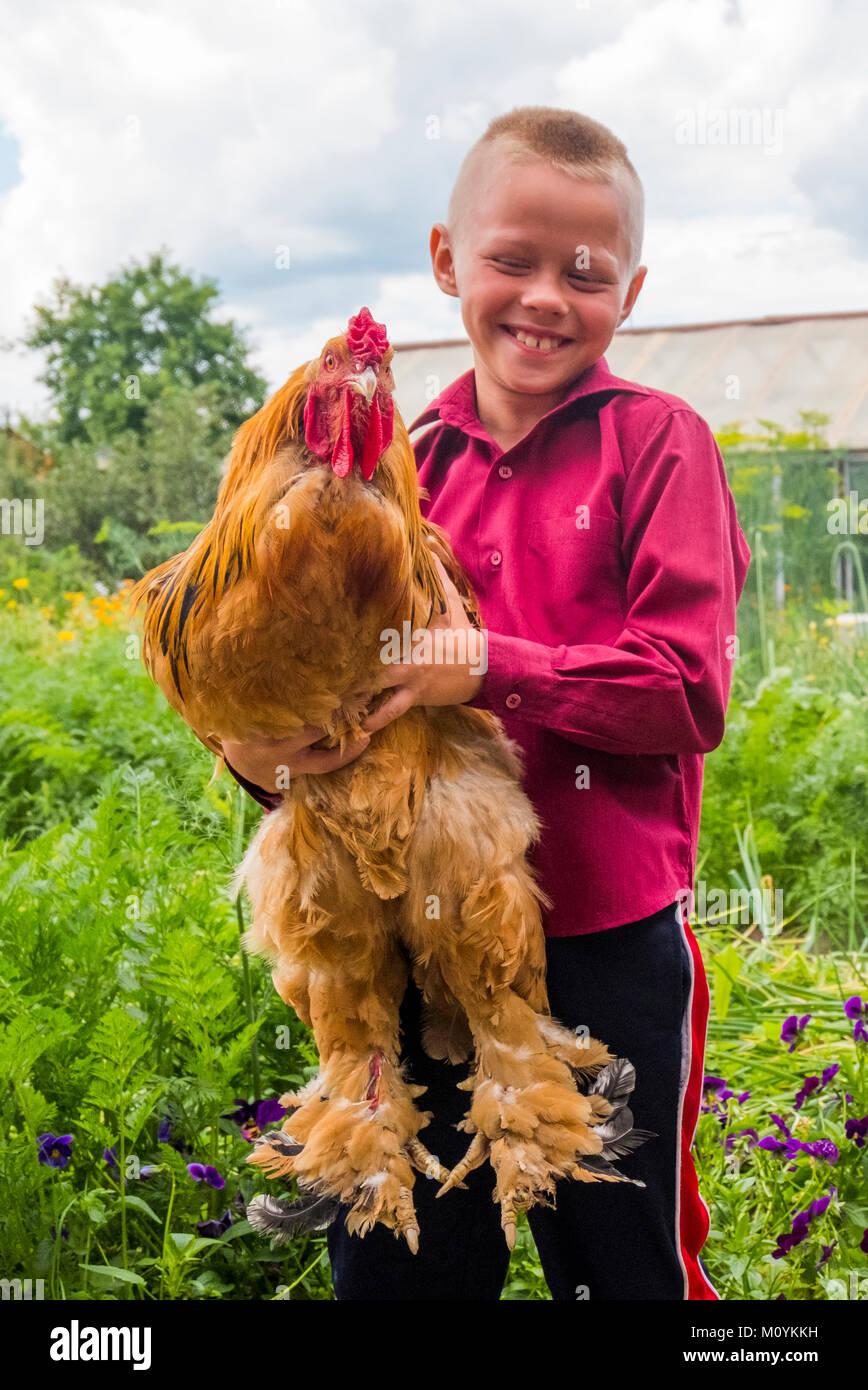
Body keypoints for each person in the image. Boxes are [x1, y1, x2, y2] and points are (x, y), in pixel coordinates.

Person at [222, 105, 751, 1301]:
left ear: (632, 288)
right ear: (447, 261)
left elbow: (686, 688)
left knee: (617, 1267)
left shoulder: (659, 445)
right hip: (409, 933)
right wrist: (265, 754)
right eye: (512, 259)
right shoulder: (393, 473)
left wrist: (492, 665)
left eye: (587, 273)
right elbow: (336, 706)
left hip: (602, 940)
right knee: (403, 1259)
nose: (546, 297)